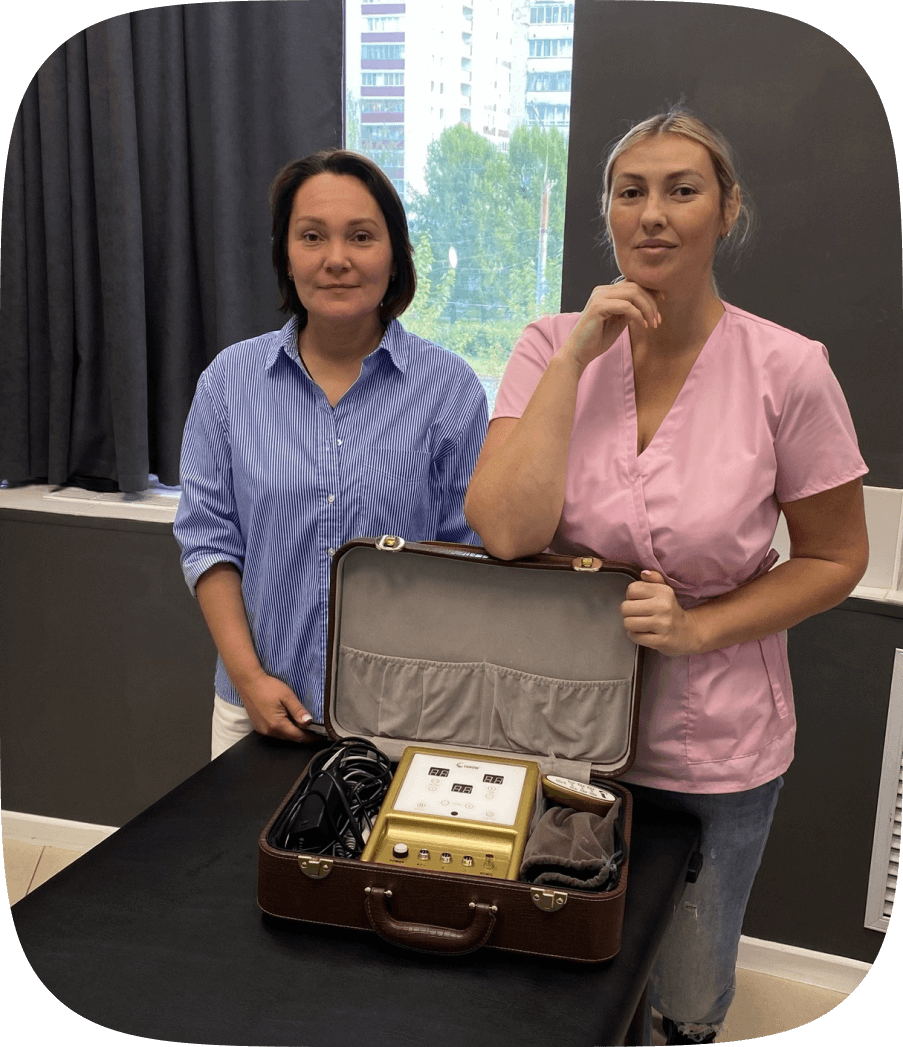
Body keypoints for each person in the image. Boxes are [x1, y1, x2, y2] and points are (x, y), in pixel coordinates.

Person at [464, 109, 868, 1045]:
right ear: (606, 212)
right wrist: (577, 356)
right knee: (554, 968)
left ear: (725, 210)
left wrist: (696, 626)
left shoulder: (787, 369)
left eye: (681, 190)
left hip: (709, 744)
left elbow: (835, 557)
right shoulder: (548, 345)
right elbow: (506, 531)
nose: (651, 213)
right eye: (629, 191)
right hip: (559, 733)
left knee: (681, 995)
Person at [174, 149, 488, 760]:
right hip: (256, 707)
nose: (336, 258)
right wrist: (249, 679)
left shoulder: (450, 390)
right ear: (286, 256)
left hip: (404, 719)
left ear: (395, 256)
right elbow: (208, 540)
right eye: (312, 236)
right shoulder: (229, 382)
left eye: (361, 236)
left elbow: (468, 555)